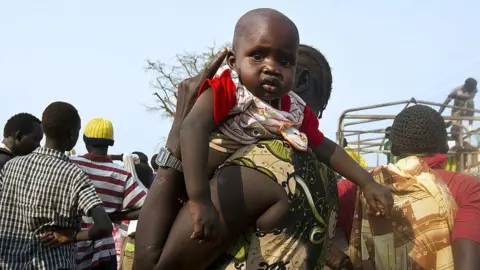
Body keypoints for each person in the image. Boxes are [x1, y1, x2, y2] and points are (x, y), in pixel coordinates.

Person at [134, 9, 392, 270]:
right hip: (194, 180)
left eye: (285, 62)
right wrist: (199, 198)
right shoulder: (228, 89)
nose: (271, 67)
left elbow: (324, 145)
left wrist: (367, 182)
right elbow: (193, 128)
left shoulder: (292, 111)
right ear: (233, 61)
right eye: (258, 56)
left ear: (296, 72)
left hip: (212, 188)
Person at [337, 105, 480, 269]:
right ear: (446, 146)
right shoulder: (468, 189)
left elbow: (309, 216)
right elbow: (469, 262)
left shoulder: (358, 186)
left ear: (393, 148)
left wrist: (340, 260)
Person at [0, 101, 113, 270]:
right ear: (72, 134)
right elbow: (104, 226)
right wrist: (72, 236)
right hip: (54, 264)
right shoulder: (75, 175)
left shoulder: (10, 166)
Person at [70, 118, 147, 270]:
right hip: (104, 252)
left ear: (85, 141)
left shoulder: (71, 164)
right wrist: (116, 216)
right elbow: (148, 206)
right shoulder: (121, 174)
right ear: (110, 143)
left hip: (72, 249)